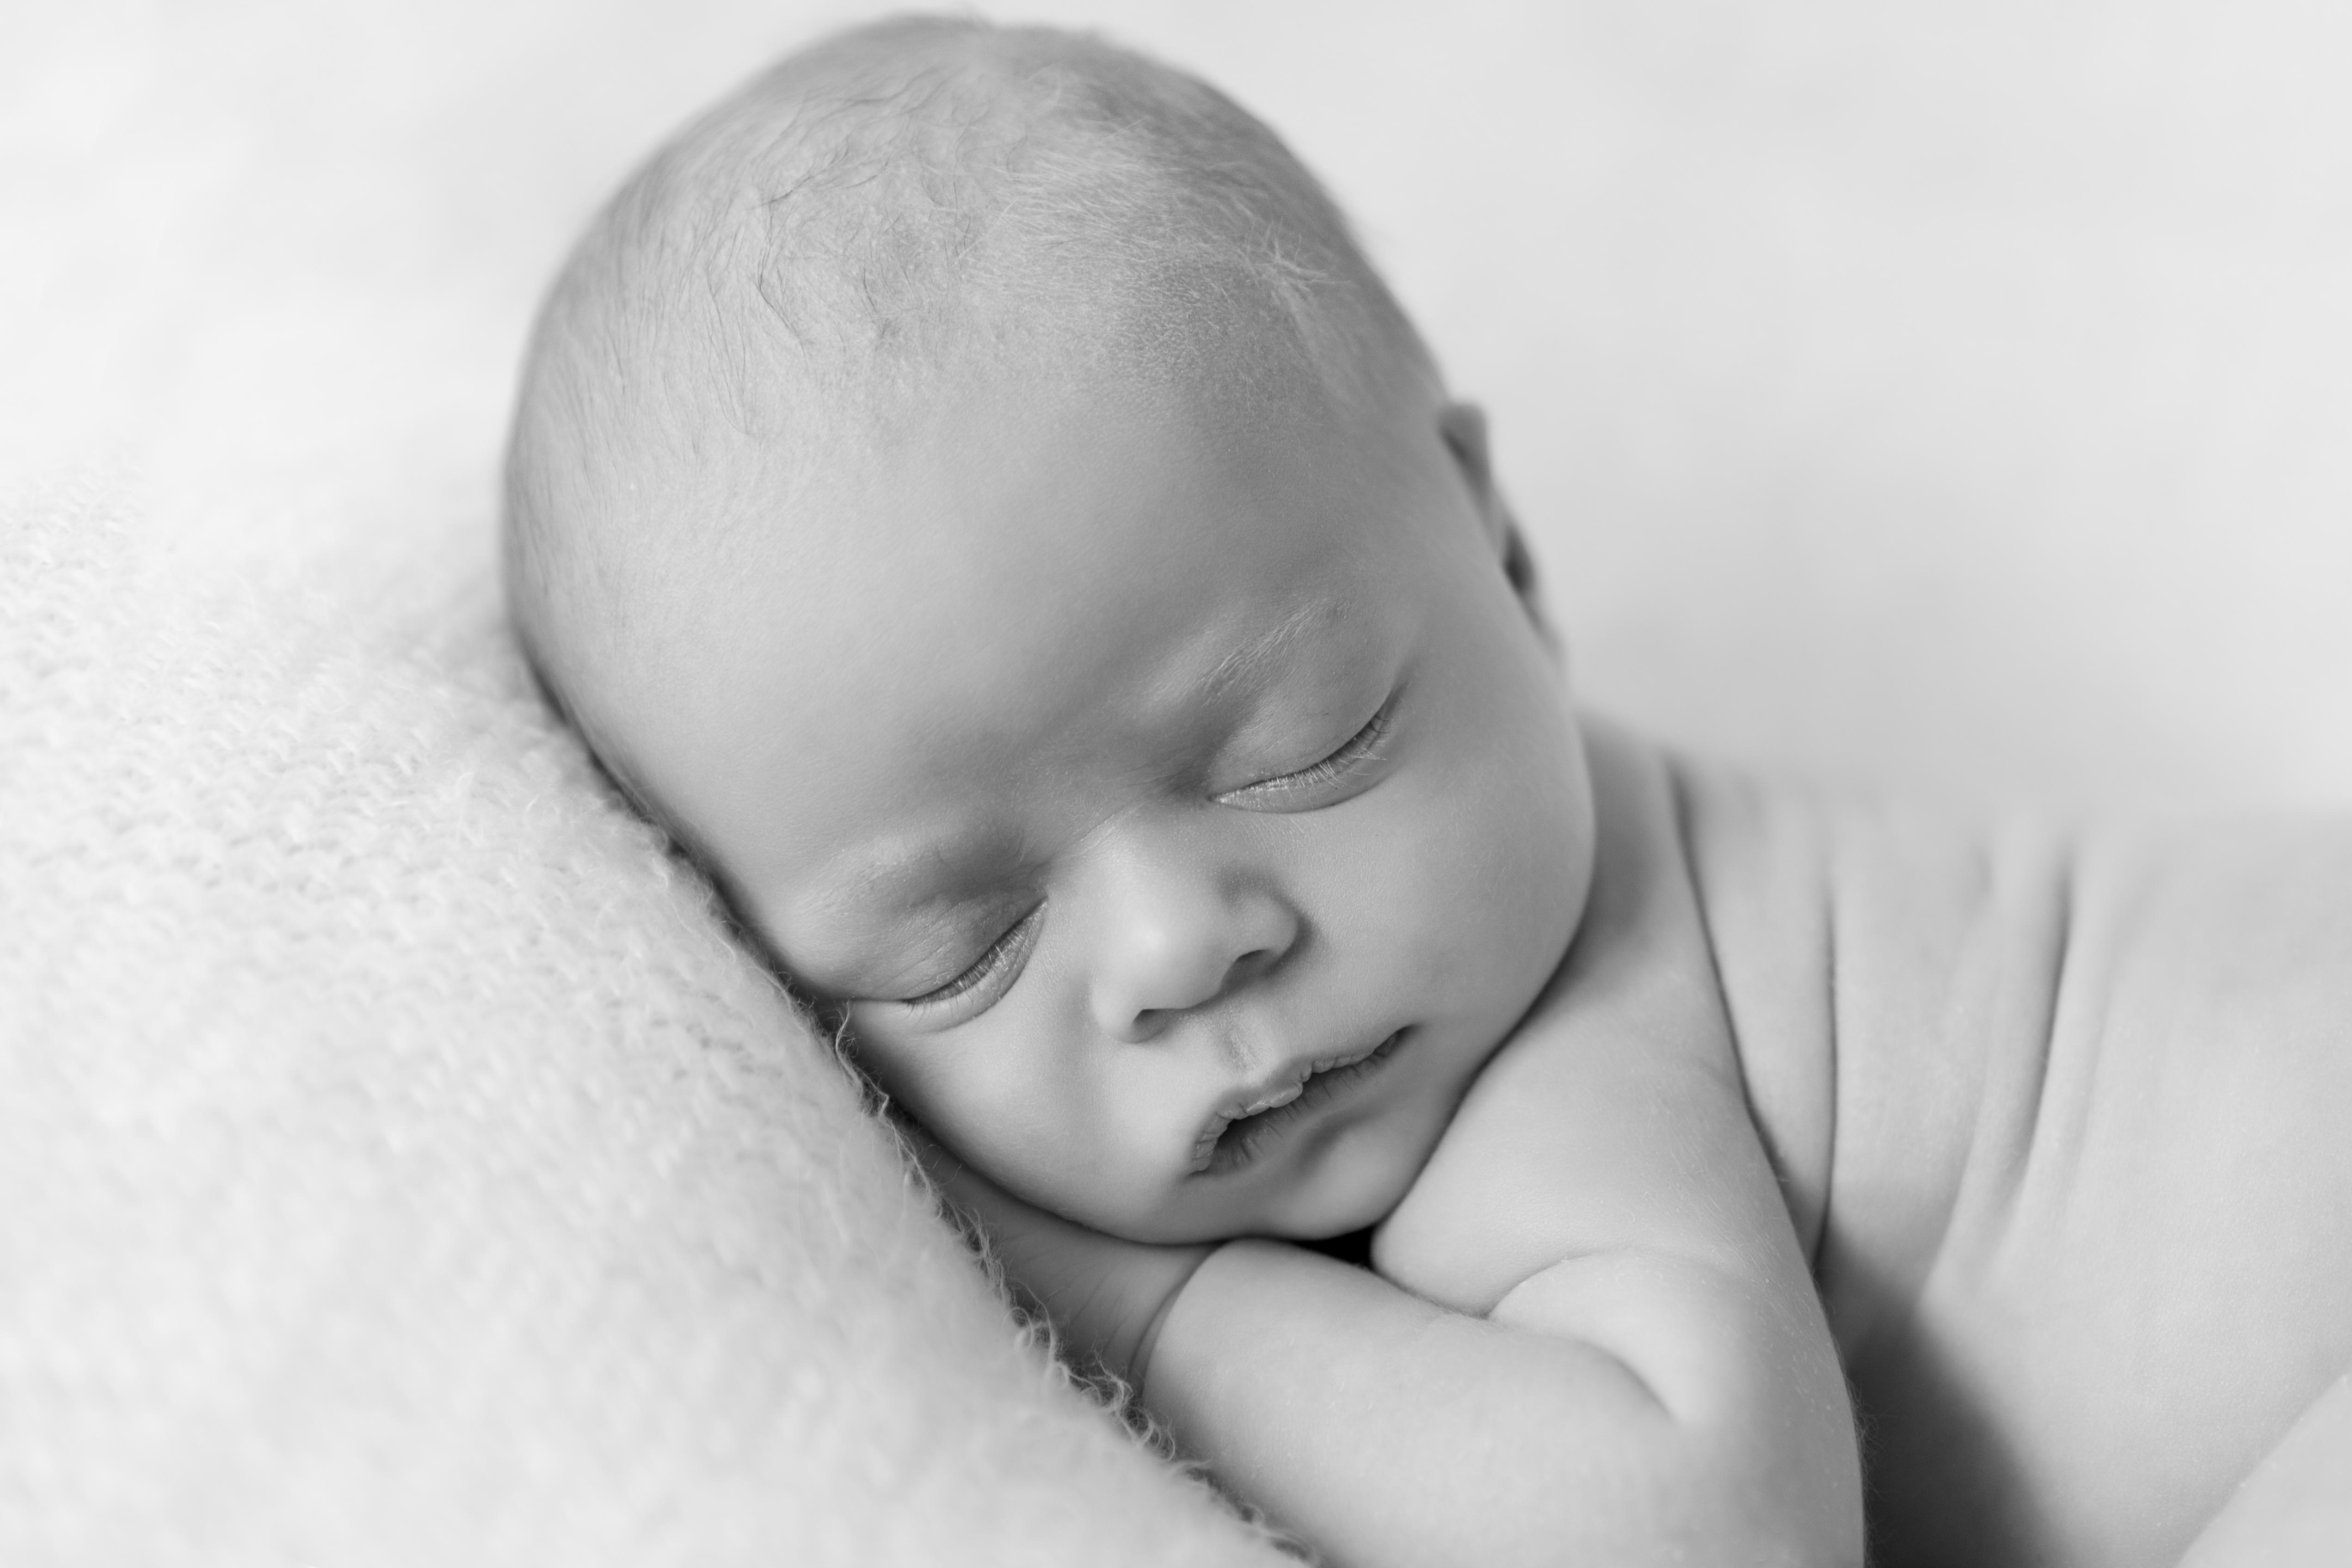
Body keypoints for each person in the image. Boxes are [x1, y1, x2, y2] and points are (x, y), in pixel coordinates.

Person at [502, 18, 2352, 1566]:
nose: (1180, 945)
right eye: (957, 943)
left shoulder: (1590, 1027)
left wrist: (1157, 1314)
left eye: (1301, 741)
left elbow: (1695, 1533)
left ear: (1504, 547)